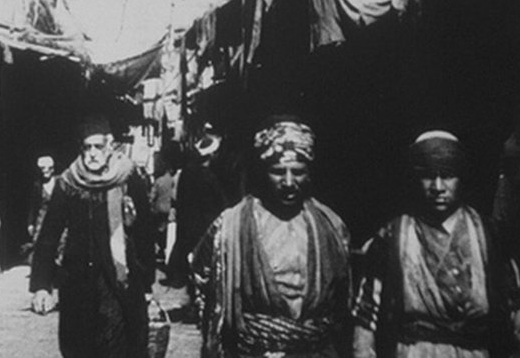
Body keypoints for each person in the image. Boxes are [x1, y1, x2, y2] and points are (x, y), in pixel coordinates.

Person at [352, 130, 520, 358]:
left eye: (447, 175)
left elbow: (518, 301)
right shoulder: (392, 236)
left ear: (461, 178)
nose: (437, 187)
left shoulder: (488, 235)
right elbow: (365, 316)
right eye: (427, 176)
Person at [191, 116, 351, 357]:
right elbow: (201, 277)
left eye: (297, 172)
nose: (288, 182)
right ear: (264, 172)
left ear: (309, 173)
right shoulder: (231, 226)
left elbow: (343, 299)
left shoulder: (331, 227)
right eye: (278, 172)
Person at [30, 114, 155, 358]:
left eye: (98, 146)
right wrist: (41, 285)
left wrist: (147, 282)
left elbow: (144, 234)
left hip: (119, 282)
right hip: (78, 284)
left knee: (118, 346)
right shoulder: (69, 182)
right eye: (87, 147)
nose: (93, 153)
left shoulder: (127, 177)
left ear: (110, 146)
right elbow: (49, 234)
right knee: (79, 348)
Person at [164, 126, 228, 289]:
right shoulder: (210, 177)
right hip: (204, 223)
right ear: (212, 155)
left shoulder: (186, 172)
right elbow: (221, 203)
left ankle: (177, 277)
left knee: (183, 249)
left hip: (186, 220)